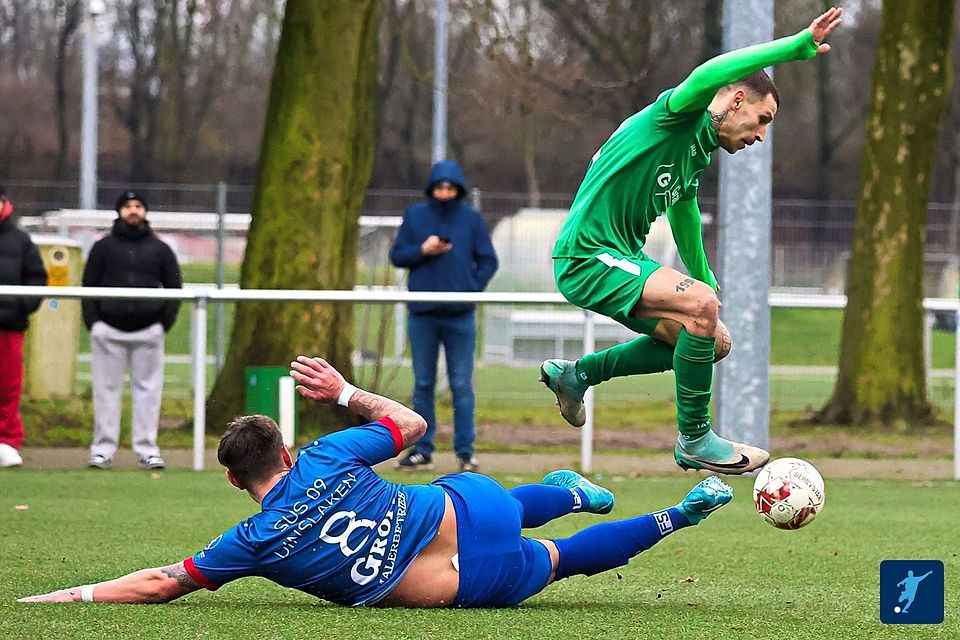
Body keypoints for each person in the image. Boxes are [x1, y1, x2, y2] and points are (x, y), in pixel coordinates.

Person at [18, 355, 733, 608]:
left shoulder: (254, 540)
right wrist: (345, 392)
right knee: (502, 504)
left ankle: (683, 513)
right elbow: (414, 424)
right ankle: (574, 493)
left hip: (459, 587)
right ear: (291, 452)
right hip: (462, 507)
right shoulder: (326, 458)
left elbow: (161, 582)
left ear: (236, 483)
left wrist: (68, 594)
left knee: (559, 562)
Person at [540, 8, 844, 475]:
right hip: (587, 255)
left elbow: (683, 205)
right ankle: (696, 439)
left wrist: (702, 276)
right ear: (738, 98)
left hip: (617, 257)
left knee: (711, 339)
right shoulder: (677, 116)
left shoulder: (696, 146)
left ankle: (577, 375)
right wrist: (795, 46)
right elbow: (710, 71)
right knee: (700, 309)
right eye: (762, 119)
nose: (762, 136)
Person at [389, 160, 498, 472]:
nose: (445, 192)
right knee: (423, 383)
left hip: (460, 316)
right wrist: (423, 250)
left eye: (450, 187)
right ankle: (422, 449)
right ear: (431, 188)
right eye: (439, 187)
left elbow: (488, 260)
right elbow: (398, 256)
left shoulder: (471, 220)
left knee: (461, 385)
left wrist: (471, 289)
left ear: (458, 189)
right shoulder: (415, 216)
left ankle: (465, 453)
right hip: (422, 314)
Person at [82, 191, 182, 470]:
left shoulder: (161, 249)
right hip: (108, 332)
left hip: (148, 332)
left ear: (145, 211)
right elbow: (87, 287)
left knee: (148, 393)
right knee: (105, 391)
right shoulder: (103, 248)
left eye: (138, 205)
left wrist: (161, 325)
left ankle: (147, 449)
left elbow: (175, 289)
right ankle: (102, 450)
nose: (133, 210)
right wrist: (95, 324)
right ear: (119, 211)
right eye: (127, 206)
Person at [0, 187, 47, 468]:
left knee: (7, 386)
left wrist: (20, 307)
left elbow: (36, 279)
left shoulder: (20, 240)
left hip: (9, 326)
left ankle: (7, 441)